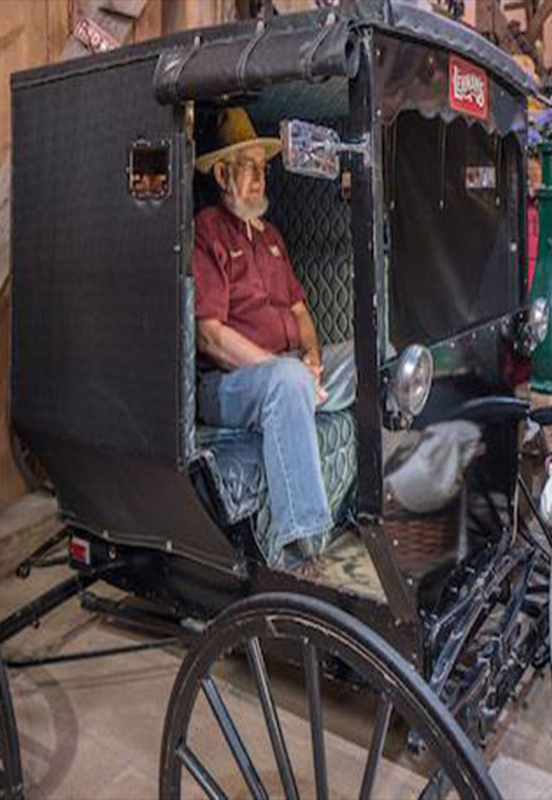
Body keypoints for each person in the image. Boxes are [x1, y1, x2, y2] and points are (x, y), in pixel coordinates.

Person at [191, 107, 356, 570]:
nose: (261, 178)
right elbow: (210, 337)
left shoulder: (272, 236)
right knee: (287, 382)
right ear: (222, 174)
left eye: (263, 168)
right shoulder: (208, 230)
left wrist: (314, 358)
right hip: (228, 387)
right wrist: (282, 368)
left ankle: (377, 496)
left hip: (288, 371)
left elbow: (301, 312)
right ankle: (303, 547)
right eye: (249, 168)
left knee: (376, 356)